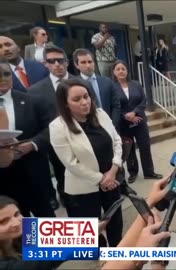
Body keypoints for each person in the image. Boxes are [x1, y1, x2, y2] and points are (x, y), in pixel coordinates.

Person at [49, 78, 123, 246]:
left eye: (86, 96)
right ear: (65, 103)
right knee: (91, 227)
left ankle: (118, 251)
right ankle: (101, 255)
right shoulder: (58, 127)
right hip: (83, 186)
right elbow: (71, 163)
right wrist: (101, 179)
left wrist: (112, 171)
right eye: (76, 99)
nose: (84, 102)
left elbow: (117, 142)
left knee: (115, 220)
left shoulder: (101, 114)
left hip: (111, 180)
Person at [0, 61, 54, 218]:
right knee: (16, 227)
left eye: (6, 73)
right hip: (3, 181)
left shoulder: (31, 100)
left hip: (32, 173)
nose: (3, 78)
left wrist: (31, 144)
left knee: (45, 223)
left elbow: (50, 129)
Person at [0, 195, 109, 270]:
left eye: (16, 214)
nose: (16, 223)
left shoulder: (23, 234)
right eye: (3, 221)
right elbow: (37, 264)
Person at [29, 45, 77, 209]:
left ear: (67, 62)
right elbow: (35, 123)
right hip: (55, 147)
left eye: (60, 60)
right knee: (64, 182)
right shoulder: (35, 91)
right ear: (45, 64)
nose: (57, 64)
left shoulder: (81, 83)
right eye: (52, 61)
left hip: (83, 142)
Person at [111, 60, 162, 183]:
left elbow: (143, 101)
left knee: (145, 146)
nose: (121, 71)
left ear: (127, 71)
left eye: (123, 68)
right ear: (113, 72)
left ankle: (149, 172)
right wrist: (126, 115)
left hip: (139, 121)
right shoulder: (112, 87)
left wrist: (134, 112)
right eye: (118, 69)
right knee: (129, 149)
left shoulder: (136, 84)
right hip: (123, 123)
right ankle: (132, 172)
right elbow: (114, 105)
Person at [73, 48, 121, 128]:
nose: (88, 65)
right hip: (87, 130)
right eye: (83, 62)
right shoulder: (73, 85)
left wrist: (112, 124)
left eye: (90, 62)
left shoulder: (107, 82)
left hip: (110, 126)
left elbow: (116, 105)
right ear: (76, 65)